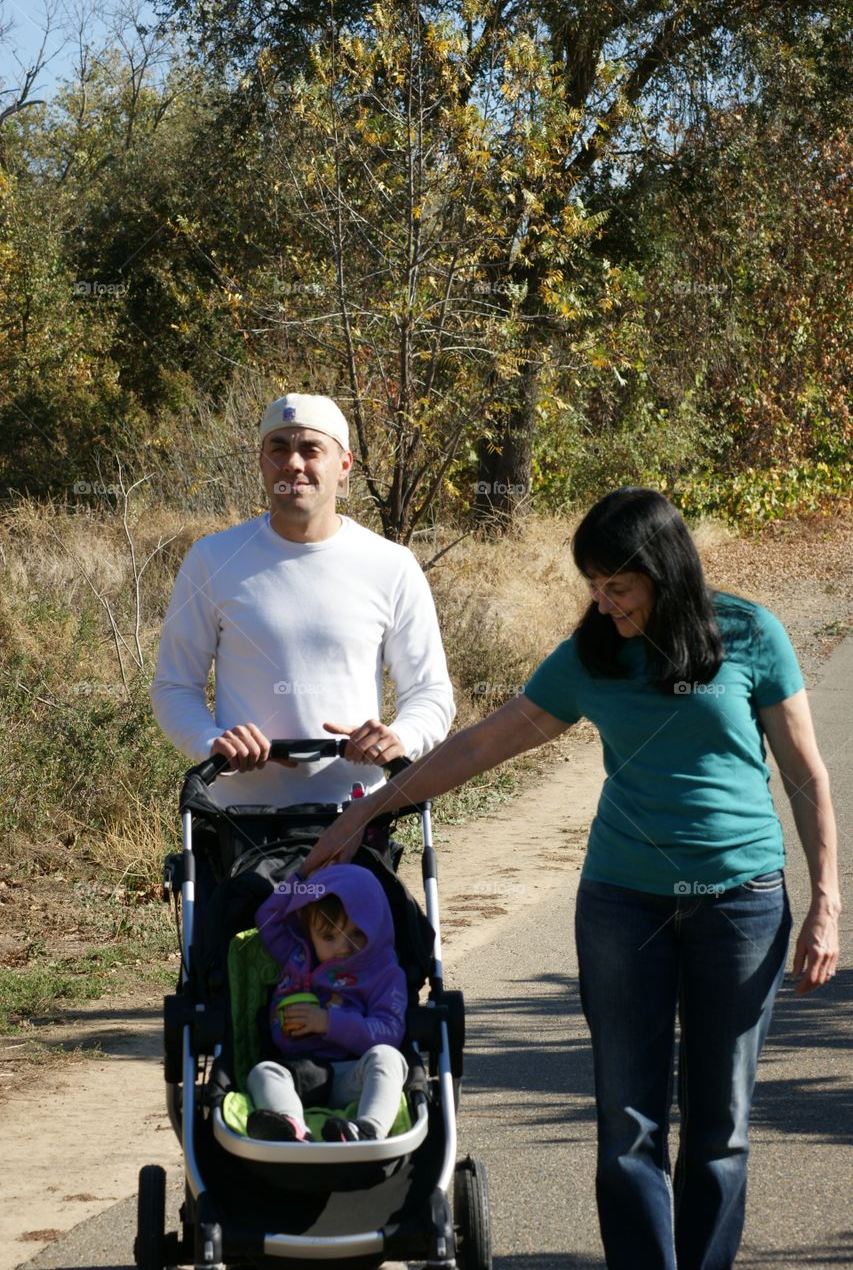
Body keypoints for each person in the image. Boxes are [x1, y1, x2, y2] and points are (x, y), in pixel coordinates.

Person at [298, 487, 841, 1269]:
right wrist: (370, 808)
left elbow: (804, 775)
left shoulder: (750, 634)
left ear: (663, 571)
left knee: (720, 1125)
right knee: (627, 1123)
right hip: (621, 904)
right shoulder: (591, 654)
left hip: (740, 904)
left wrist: (826, 898)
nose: (603, 602)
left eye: (617, 586)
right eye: (592, 585)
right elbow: (485, 743)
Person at [151, 393, 454, 806]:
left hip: (358, 819)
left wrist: (399, 738)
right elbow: (174, 686)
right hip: (237, 824)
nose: (292, 463)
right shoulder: (212, 559)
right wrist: (212, 743)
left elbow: (430, 692)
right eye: (279, 448)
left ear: (344, 465)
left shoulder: (392, 565)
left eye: (311, 449)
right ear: (262, 461)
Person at [246, 863, 409, 1142]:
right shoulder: (298, 954)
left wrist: (327, 1022)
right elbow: (268, 915)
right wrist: (300, 877)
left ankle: (367, 1129)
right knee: (263, 1072)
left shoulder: (383, 971)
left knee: (388, 1059)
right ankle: (293, 1126)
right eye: (329, 937)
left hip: (353, 1073)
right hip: (300, 1072)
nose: (343, 946)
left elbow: (389, 1031)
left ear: (377, 928)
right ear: (309, 933)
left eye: (357, 933)